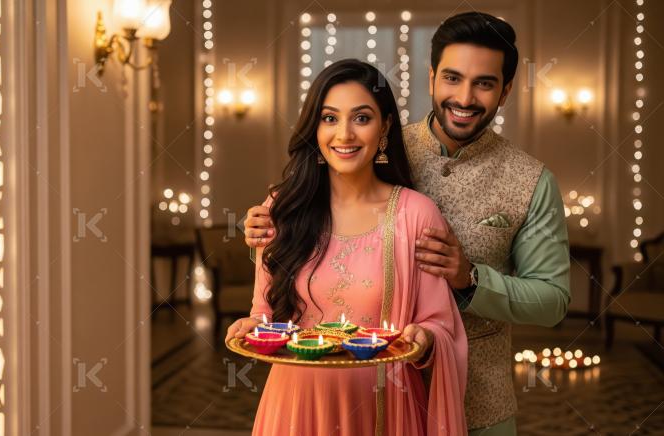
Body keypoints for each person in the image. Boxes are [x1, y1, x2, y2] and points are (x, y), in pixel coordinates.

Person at [241, 12, 570, 436]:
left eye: (484, 83)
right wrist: (269, 225)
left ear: (505, 91)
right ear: (432, 77)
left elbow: (553, 300)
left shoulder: (531, 181)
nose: (465, 97)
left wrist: (470, 281)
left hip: (479, 404)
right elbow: (309, 220)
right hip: (344, 400)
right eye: (452, 78)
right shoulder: (372, 142)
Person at [224, 59, 468, 435]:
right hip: (295, 406)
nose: (344, 134)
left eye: (362, 118)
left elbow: (440, 324)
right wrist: (254, 326)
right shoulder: (282, 209)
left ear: (385, 126)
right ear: (315, 127)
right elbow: (267, 312)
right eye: (330, 118)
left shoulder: (415, 216)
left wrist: (426, 337)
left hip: (385, 408)